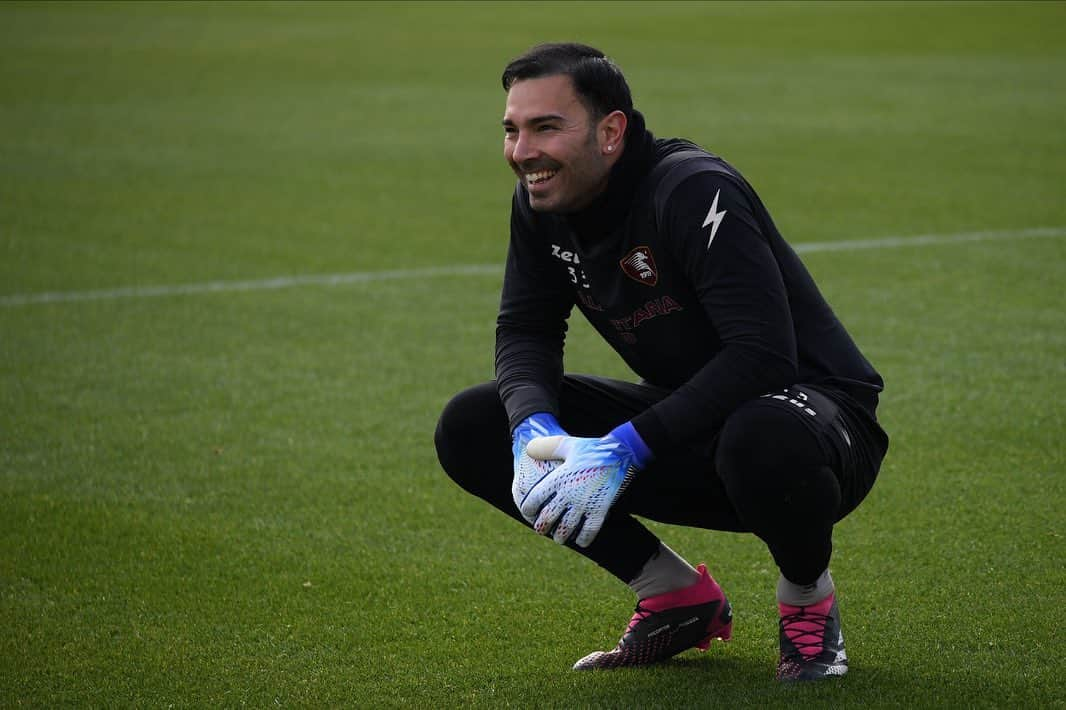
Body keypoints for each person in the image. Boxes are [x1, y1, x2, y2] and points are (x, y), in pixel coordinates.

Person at [434, 42, 889, 682]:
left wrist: (625, 446)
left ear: (611, 131)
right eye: (512, 129)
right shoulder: (543, 202)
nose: (522, 152)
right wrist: (533, 428)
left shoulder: (693, 189)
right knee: (476, 424)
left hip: (815, 426)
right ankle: (675, 597)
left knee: (759, 433)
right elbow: (526, 328)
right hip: (701, 426)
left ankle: (808, 602)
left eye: (545, 127)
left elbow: (763, 357)